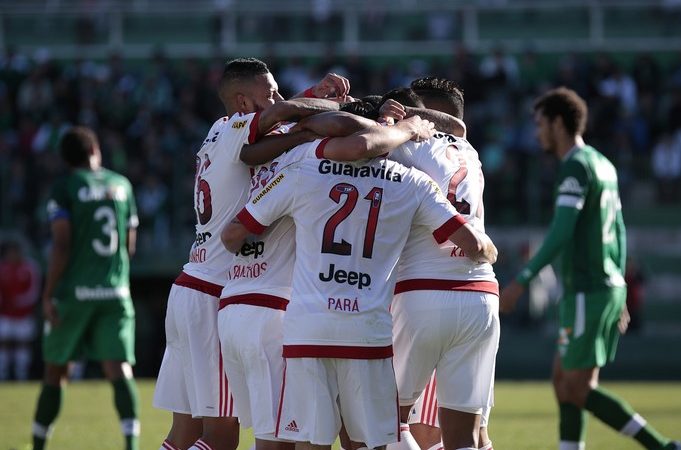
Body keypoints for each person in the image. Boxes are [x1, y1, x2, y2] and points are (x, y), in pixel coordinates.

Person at [222, 115, 496, 450]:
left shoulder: (299, 173)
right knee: (373, 442)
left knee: (311, 443)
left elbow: (233, 235)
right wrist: (491, 251)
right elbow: (473, 244)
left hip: (308, 327)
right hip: (368, 330)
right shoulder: (413, 183)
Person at [152, 57, 344, 450]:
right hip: (212, 293)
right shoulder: (235, 128)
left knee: (184, 434)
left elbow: (280, 114)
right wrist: (336, 109)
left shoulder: (220, 131)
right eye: (268, 92)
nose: (276, 97)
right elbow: (286, 112)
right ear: (242, 102)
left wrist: (313, 95)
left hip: (190, 286)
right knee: (221, 439)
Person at [500, 87, 681, 450]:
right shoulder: (602, 163)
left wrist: (523, 279)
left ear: (558, 123)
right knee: (562, 379)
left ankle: (664, 447)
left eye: (540, 123)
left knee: (577, 387)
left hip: (588, 288)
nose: (537, 132)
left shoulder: (575, 166)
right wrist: (621, 285)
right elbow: (618, 230)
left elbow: (561, 231)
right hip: (601, 285)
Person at [381, 80, 499, 450]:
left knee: (388, 423)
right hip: (481, 295)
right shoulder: (471, 152)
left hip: (423, 290)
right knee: (465, 438)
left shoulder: (412, 142)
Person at [31, 126, 140, 450]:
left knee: (56, 369)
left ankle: (37, 444)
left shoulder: (65, 187)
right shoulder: (122, 185)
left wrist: (48, 294)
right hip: (115, 292)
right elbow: (129, 246)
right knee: (119, 367)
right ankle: (131, 444)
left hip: (75, 294)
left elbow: (61, 245)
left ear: (66, 159)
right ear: (95, 150)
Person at [0, 239, 40, 381]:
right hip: (5, 314)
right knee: (4, 344)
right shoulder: (2, 268)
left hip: (24, 315)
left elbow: (34, 292)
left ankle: (21, 376)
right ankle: (3, 376)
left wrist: (18, 302)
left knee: (23, 345)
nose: (12, 255)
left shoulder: (30, 267)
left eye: (15, 252)